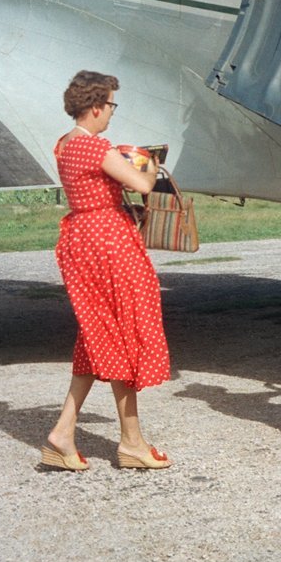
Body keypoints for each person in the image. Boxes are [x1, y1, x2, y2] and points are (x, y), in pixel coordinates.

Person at [42, 70, 172, 472]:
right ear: (96, 106)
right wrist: (151, 164)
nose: (112, 113)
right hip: (108, 244)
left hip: (84, 236)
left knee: (101, 335)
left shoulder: (65, 145)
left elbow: (96, 193)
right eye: (112, 105)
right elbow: (144, 184)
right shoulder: (95, 147)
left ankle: (63, 433)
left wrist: (117, 204)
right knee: (125, 331)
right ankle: (131, 442)